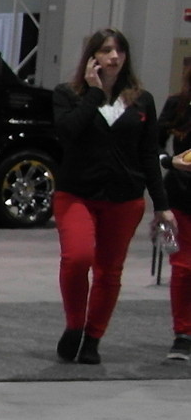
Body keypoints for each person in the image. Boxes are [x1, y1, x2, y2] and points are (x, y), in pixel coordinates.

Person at [49, 28, 168, 364]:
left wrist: (162, 206)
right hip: (77, 194)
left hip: (125, 198)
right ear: (92, 57)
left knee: (109, 271)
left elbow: (148, 154)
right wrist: (93, 94)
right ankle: (74, 326)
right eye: (105, 51)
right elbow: (67, 133)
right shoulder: (67, 94)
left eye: (119, 51)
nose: (114, 57)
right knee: (78, 258)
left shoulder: (142, 100)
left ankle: (93, 338)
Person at [156, 56, 191, 363]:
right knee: (182, 268)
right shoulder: (176, 105)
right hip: (180, 196)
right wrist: (170, 162)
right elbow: (151, 149)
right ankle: (183, 335)